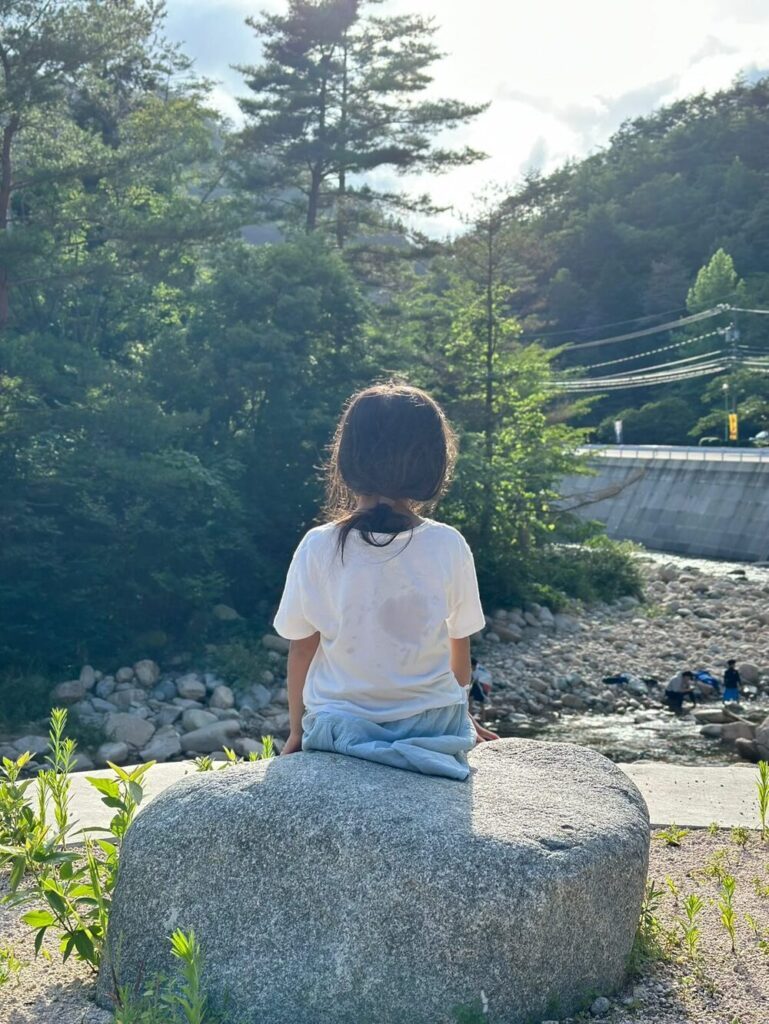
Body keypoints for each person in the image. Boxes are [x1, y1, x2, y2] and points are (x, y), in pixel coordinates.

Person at [273, 382, 498, 781]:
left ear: (346, 461)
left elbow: (302, 648)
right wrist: (460, 717)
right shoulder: (448, 544)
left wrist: (296, 732)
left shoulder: (318, 545)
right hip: (433, 727)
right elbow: (458, 646)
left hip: (339, 727)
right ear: (434, 464)